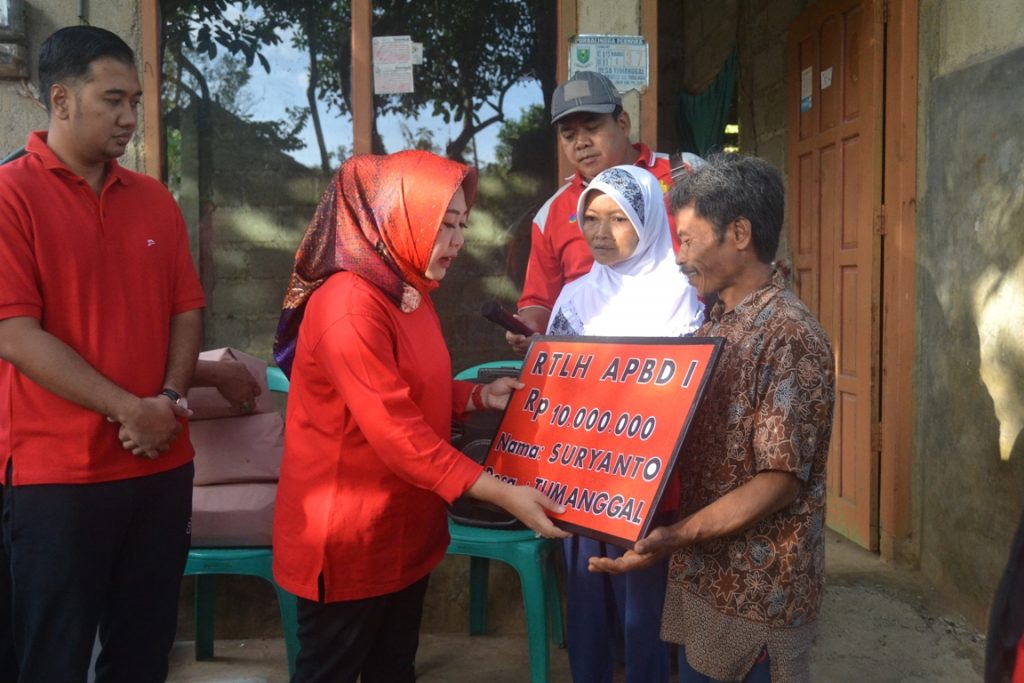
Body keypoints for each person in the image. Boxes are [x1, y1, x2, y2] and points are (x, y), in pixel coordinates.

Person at [270, 150, 569, 683]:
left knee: (393, 668)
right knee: (332, 670)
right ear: (396, 221)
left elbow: (410, 387)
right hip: (348, 539)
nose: (457, 241)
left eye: (461, 225)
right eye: (443, 226)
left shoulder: (406, 289)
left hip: (403, 528)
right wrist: (503, 493)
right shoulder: (349, 307)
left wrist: (475, 397)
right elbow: (395, 432)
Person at [0, 25, 205, 683]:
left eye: (135, 100)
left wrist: (169, 400)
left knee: (144, 654)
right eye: (113, 99)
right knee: (51, 658)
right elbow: (14, 332)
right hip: (55, 478)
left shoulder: (154, 200)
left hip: (159, 467)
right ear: (60, 100)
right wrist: (130, 408)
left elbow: (186, 309)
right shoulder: (10, 195)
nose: (128, 116)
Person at [590, 154, 836, 683]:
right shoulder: (718, 325)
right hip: (709, 578)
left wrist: (677, 535)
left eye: (688, 239)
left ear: (739, 233)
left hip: (757, 597)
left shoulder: (788, 335)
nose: (678, 257)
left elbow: (779, 481)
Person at [548, 164, 703, 683]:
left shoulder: (682, 295)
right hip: (579, 480)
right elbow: (553, 389)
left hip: (648, 486)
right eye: (590, 217)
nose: (599, 232)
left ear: (649, 221)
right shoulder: (575, 297)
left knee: (645, 617)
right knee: (587, 605)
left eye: (618, 218)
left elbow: (683, 393)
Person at [508, 69, 702, 351]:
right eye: (568, 135)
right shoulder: (551, 214)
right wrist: (528, 330)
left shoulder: (685, 174)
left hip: (685, 360)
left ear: (622, 123)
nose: (581, 143)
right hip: (593, 371)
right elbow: (539, 302)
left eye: (592, 128)